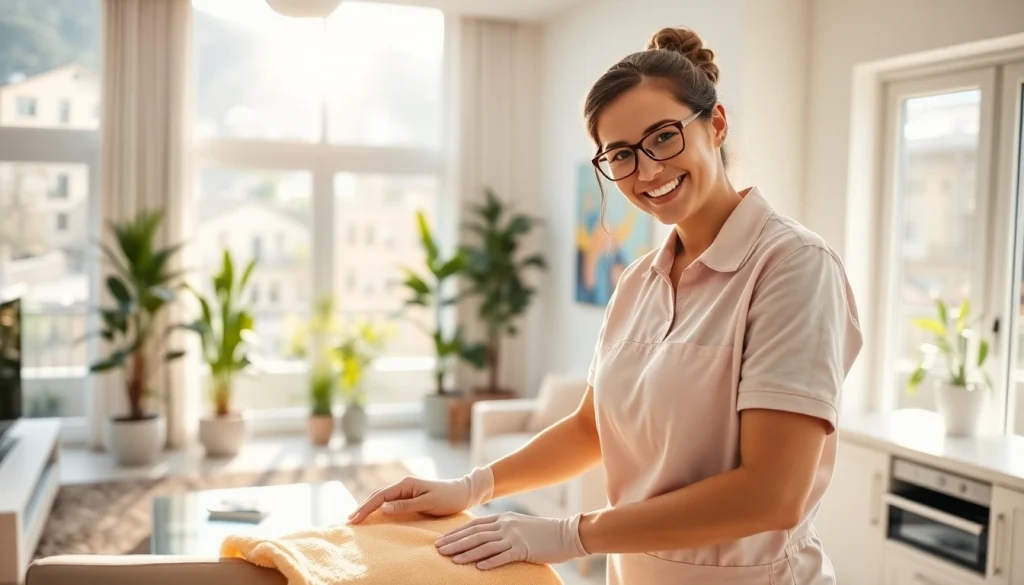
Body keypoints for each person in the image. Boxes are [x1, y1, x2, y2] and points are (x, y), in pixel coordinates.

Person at [347, 25, 863, 585]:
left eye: (663, 137)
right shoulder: (638, 282)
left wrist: (570, 534)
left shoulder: (792, 267)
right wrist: (470, 487)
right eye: (620, 155)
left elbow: (773, 494)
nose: (647, 170)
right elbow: (591, 428)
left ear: (715, 124)